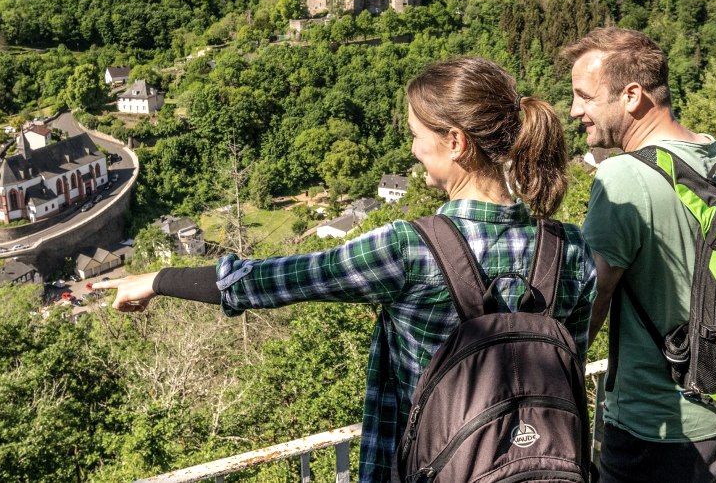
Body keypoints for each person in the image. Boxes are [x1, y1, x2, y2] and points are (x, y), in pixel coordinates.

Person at [106, 57, 597, 483]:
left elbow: (268, 281)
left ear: (455, 141)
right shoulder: (569, 249)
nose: (411, 149)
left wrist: (155, 280)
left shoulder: (411, 247)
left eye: (415, 135)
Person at [563, 27, 716, 483]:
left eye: (584, 96)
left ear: (631, 95)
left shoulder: (624, 179)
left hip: (657, 431)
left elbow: (587, 312)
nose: (576, 110)